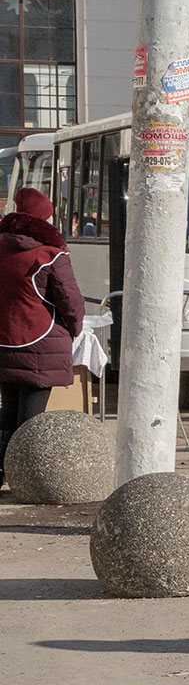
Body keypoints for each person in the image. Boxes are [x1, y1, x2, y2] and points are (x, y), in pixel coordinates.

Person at [0, 187, 83, 491]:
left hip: (4, 340)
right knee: (32, 418)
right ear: (44, 219)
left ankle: (0, 471)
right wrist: (75, 328)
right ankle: (24, 478)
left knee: (7, 413)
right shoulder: (50, 254)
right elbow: (70, 301)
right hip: (39, 339)